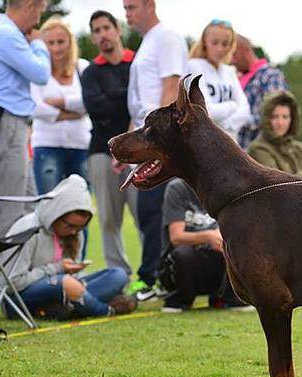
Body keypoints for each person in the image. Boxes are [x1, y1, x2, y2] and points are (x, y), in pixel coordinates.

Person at [124, 0, 188, 300]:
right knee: (146, 210)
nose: (127, 14)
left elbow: (171, 86)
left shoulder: (167, 37)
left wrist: (158, 139)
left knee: (155, 210)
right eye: (125, 8)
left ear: (150, 4)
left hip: (157, 139)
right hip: (144, 136)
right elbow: (138, 98)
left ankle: (156, 277)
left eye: (132, 6)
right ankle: (156, 274)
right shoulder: (147, 41)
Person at [5, 175, 137, 319]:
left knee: (118, 275)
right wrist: (58, 268)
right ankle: (105, 310)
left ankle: (64, 308)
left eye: (81, 227)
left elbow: (75, 281)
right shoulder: (29, 230)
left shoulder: (76, 234)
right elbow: (13, 283)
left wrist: (73, 273)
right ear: (55, 214)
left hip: (65, 290)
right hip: (20, 298)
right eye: (70, 226)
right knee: (67, 283)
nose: (74, 232)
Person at [0, 0, 50, 240]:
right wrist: (38, 44)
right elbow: (40, 73)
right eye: (39, 11)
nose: (37, 21)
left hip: (6, 125)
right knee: (8, 211)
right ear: (29, 5)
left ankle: (19, 275)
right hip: (6, 126)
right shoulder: (6, 34)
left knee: (28, 208)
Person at [81, 10, 138, 278]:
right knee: (108, 219)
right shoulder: (91, 72)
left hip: (140, 153)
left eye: (106, 27)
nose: (102, 34)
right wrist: (125, 97)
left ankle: (154, 273)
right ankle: (119, 275)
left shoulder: (137, 63)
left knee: (144, 215)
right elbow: (96, 108)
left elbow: (140, 107)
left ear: (117, 30)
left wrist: (115, 99)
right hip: (102, 152)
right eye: (96, 30)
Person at [159, 178, 252, 313]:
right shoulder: (177, 188)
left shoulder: (224, 187)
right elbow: (176, 237)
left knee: (235, 248)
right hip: (184, 262)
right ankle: (180, 299)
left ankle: (227, 298)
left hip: (215, 259)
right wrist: (208, 236)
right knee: (183, 254)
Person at [30, 16, 90, 195]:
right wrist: (73, 113)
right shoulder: (37, 71)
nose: (56, 48)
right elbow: (36, 107)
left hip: (81, 145)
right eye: (50, 42)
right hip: (47, 145)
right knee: (49, 202)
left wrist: (59, 103)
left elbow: (90, 101)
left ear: (70, 42)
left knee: (80, 204)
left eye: (61, 41)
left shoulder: (82, 67)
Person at [185, 19, 250, 142]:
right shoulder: (193, 66)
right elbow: (205, 110)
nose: (220, 48)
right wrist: (232, 105)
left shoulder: (229, 71)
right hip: (204, 143)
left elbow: (245, 110)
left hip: (231, 143)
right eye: (214, 43)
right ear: (205, 42)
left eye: (225, 44)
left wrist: (227, 124)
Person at [231, 34, 287, 150]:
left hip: (260, 153)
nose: (231, 60)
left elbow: (275, 114)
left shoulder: (270, 76)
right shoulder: (236, 77)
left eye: (234, 55)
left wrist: (240, 120)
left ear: (245, 51)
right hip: (239, 150)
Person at [247, 90, 302, 176]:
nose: (280, 123)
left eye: (285, 117)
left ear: (292, 119)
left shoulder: (298, 148)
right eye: (275, 117)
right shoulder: (258, 149)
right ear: (266, 118)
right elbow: (277, 185)